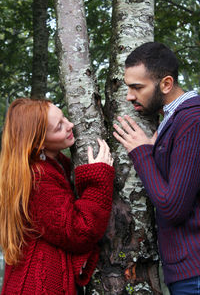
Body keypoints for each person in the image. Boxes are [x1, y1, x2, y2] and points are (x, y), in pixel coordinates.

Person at [0, 98, 115, 295]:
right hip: (38, 287)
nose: (71, 125)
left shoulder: (53, 165)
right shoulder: (37, 178)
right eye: (59, 126)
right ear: (38, 143)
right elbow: (79, 232)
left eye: (64, 117)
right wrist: (98, 179)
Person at [113, 41, 200, 295]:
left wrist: (142, 153)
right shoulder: (173, 120)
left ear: (166, 84)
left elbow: (173, 207)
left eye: (137, 87)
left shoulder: (191, 119)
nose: (129, 96)